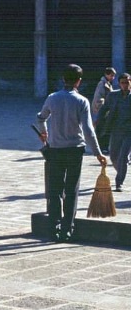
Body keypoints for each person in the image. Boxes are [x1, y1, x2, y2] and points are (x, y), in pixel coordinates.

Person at [36, 64, 107, 242]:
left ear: (63, 79)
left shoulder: (52, 98)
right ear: (79, 81)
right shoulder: (82, 101)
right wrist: (98, 153)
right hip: (74, 150)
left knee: (55, 191)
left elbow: (40, 117)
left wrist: (44, 132)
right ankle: (67, 229)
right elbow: (89, 130)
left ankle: (54, 228)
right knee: (71, 190)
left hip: (55, 150)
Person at [96, 72, 131, 192]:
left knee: (123, 157)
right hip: (116, 130)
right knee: (114, 156)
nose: (125, 85)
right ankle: (121, 169)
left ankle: (119, 182)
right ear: (119, 83)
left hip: (129, 132)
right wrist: (98, 121)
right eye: (123, 83)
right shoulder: (113, 95)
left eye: (127, 82)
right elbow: (104, 109)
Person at [93, 67, 117, 154]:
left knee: (106, 129)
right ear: (106, 74)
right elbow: (98, 98)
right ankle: (101, 148)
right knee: (101, 130)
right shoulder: (102, 84)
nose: (113, 77)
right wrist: (105, 106)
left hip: (106, 111)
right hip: (102, 111)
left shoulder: (107, 84)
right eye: (111, 75)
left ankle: (104, 147)